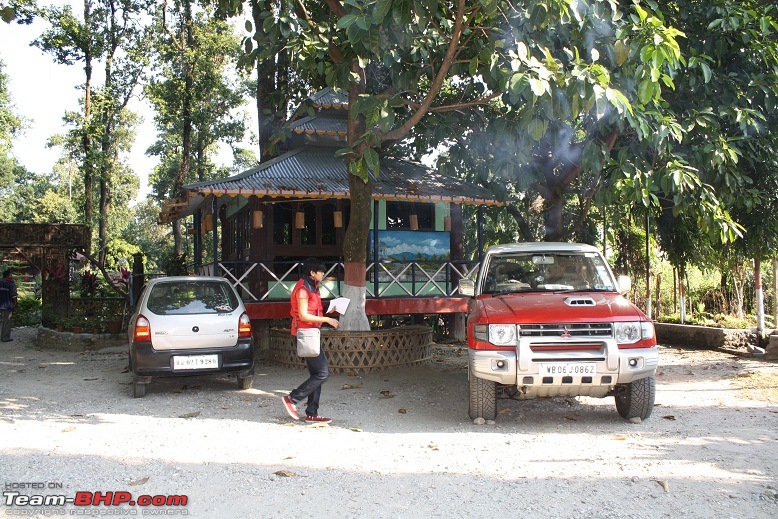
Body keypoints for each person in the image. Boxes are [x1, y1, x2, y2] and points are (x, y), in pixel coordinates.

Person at [282, 258, 339, 424]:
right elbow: (303, 315)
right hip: (306, 334)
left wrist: (330, 310)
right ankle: (292, 399)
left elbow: (313, 311)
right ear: (312, 273)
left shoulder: (312, 287)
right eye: (321, 271)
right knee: (322, 373)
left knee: (316, 374)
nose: (323, 274)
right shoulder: (302, 289)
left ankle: (312, 413)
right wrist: (327, 319)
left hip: (312, 333)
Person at [0, 269, 18, 342]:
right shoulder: (11, 283)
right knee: (6, 321)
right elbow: (14, 296)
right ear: (8, 276)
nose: (12, 276)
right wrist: (15, 305)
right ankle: (5, 337)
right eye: (11, 275)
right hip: (7, 305)